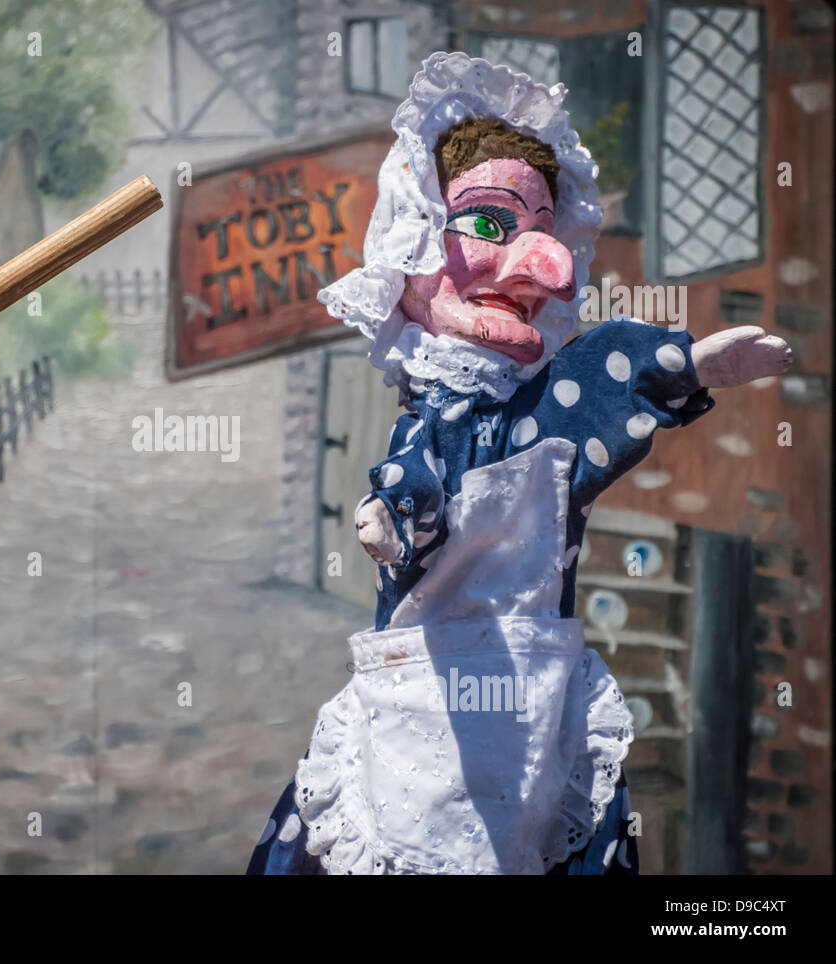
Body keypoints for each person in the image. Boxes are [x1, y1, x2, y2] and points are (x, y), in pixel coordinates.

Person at [248, 51, 791, 875]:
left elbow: (612, 370)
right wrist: (394, 515)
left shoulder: (557, 405)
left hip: (537, 701)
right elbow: (421, 473)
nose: (537, 264)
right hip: (424, 693)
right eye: (491, 225)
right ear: (419, 235)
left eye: (542, 231)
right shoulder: (430, 410)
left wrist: (696, 364)